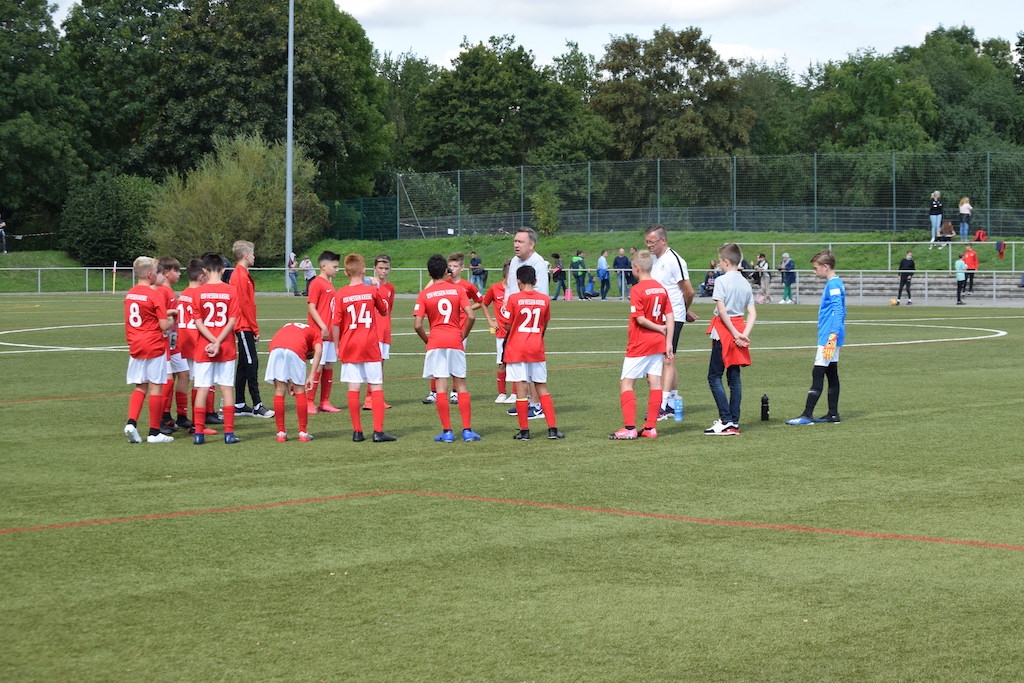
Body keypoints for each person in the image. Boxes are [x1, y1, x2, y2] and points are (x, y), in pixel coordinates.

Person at [413, 253, 480, 442]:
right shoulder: (457, 290)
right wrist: (463, 334)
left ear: (428, 274)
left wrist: (428, 340)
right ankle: (467, 431)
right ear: (446, 271)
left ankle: (448, 432)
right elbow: (471, 316)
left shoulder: (425, 294)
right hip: (454, 339)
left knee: (441, 385)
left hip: (436, 341)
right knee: (461, 384)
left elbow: (417, 325)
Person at [609, 250, 674, 440]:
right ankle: (650, 428)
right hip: (658, 343)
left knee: (626, 383)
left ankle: (629, 427)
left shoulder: (637, 289)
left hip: (640, 342)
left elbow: (640, 319)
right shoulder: (661, 288)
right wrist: (668, 341)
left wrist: (659, 328)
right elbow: (670, 316)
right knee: (655, 382)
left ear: (637, 268)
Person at [332, 253, 396, 443]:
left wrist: (337, 346)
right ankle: (378, 431)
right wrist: (376, 287)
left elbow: (335, 324)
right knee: (376, 385)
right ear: (364, 271)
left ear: (346, 272)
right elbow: (383, 310)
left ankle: (357, 431)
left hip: (349, 344)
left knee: (353, 387)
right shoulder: (371, 291)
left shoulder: (341, 293)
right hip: (369, 344)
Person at [501, 264, 564, 440]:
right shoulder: (544, 299)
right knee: (541, 386)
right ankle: (552, 429)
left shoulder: (514, 298)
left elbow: (507, 325)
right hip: (536, 347)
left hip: (516, 348)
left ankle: (525, 431)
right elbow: (544, 324)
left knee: (521, 388)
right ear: (535, 281)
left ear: (518, 281)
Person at [786, 250, 846, 426]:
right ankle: (833, 414)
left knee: (818, 372)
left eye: (815, 268)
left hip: (829, 336)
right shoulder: (835, 283)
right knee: (831, 372)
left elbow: (838, 311)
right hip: (832, 335)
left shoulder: (833, 285)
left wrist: (832, 337)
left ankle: (807, 415)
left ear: (825, 267)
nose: (814, 271)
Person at [704, 244, 756, 436]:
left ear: (726, 261)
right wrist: (744, 334)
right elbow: (752, 313)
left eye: (720, 261)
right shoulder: (745, 282)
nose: (719, 264)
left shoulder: (721, 280)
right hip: (739, 328)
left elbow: (722, 310)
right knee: (734, 377)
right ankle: (733, 420)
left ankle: (726, 420)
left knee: (714, 376)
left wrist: (734, 333)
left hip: (725, 330)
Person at [122, 256, 175, 443]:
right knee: (155, 387)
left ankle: (131, 423)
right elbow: (163, 325)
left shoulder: (130, 294)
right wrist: (171, 319)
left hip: (136, 344)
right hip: (153, 344)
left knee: (140, 386)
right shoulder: (155, 295)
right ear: (150, 274)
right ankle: (154, 432)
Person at [646, 224, 695, 420]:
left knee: (665, 359)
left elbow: (688, 291)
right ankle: (672, 402)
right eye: (647, 242)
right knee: (665, 359)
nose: (649, 245)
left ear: (663, 240)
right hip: (658, 316)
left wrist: (683, 310)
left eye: (652, 242)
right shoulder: (653, 260)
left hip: (672, 317)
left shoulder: (674, 260)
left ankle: (663, 405)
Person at [192, 252, 242, 444]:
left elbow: (198, 322)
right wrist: (219, 341)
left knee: (203, 388)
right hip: (226, 346)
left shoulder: (198, 292)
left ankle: (198, 434)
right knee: (227, 388)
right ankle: (228, 433)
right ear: (222, 270)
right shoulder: (231, 290)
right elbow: (232, 320)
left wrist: (212, 341)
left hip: (204, 346)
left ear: (204, 270)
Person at [423, 252, 482, 405]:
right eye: (449, 266)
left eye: (455, 266)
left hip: (460, 329)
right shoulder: (443, 284)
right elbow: (425, 291)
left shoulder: (466, 286)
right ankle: (433, 392)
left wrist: (466, 308)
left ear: (462, 268)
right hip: (444, 329)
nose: (452, 269)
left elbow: (480, 301)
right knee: (439, 363)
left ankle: (455, 392)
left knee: (455, 365)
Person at [505, 228, 549, 421]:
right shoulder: (515, 261)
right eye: (515, 241)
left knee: (531, 366)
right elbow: (510, 288)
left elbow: (541, 295)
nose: (516, 245)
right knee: (520, 365)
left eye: (520, 242)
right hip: (515, 319)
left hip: (529, 322)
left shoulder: (538, 263)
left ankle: (536, 405)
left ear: (531, 244)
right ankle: (525, 402)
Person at [230, 240, 273, 419]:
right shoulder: (239, 275)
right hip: (243, 325)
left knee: (243, 365)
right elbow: (244, 305)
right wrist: (255, 329)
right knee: (251, 363)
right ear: (246, 255)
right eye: (253, 253)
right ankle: (257, 404)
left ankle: (239, 404)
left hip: (245, 324)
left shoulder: (242, 274)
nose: (254, 257)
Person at [264, 322, 323, 443]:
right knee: (300, 390)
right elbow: (318, 351)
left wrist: (288, 382)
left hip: (275, 347)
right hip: (296, 347)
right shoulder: (316, 335)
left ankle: (280, 433)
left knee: (279, 389)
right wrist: (312, 376)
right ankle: (303, 433)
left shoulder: (294, 327)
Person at [156, 256, 189, 436]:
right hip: (166, 341)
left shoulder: (169, 291)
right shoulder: (162, 291)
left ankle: (181, 415)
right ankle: (163, 416)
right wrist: (175, 311)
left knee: (184, 374)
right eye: (176, 270)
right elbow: (160, 314)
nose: (179, 274)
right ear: (167, 273)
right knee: (167, 381)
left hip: (174, 341)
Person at [306, 251, 341, 414]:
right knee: (318, 365)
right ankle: (308, 401)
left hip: (330, 334)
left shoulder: (329, 284)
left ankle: (324, 401)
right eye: (334, 266)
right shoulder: (316, 283)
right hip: (320, 332)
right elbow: (311, 307)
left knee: (328, 364)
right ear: (323, 266)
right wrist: (323, 326)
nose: (337, 270)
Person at [362, 254, 395, 411]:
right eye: (380, 268)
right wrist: (367, 279)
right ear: (374, 268)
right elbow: (354, 280)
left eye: (386, 268)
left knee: (380, 365)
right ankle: (370, 399)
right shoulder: (368, 284)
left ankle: (376, 398)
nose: (383, 271)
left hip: (385, 331)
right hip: (372, 331)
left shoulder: (390, 288)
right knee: (373, 365)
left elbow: (388, 309)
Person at [482, 260, 514, 404]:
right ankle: (502, 393)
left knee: (515, 364)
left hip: (515, 333)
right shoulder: (495, 288)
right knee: (502, 364)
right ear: (506, 274)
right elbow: (484, 303)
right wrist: (490, 321)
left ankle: (515, 393)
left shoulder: (517, 290)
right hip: (501, 333)